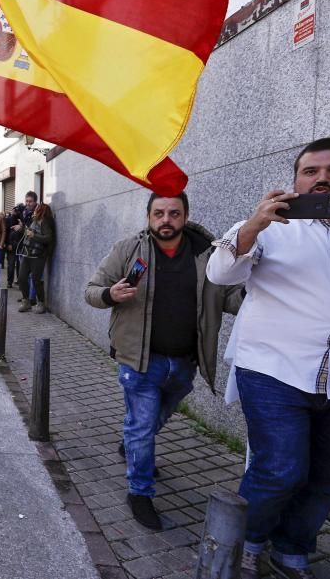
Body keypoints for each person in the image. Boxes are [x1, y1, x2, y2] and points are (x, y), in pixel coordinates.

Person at [205, 138, 330, 579]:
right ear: (296, 180)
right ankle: (246, 543)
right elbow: (220, 272)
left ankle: (292, 551)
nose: (322, 178)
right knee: (280, 469)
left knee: (327, 475)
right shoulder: (269, 227)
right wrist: (254, 225)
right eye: (311, 171)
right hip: (273, 370)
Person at [85, 191, 243, 530]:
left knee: (151, 421)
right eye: (159, 213)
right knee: (142, 427)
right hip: (139, 360)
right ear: (148, 217)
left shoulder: (207, 252)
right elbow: (92, 289)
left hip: (185, 362)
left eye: (173, 213)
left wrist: (261, 292)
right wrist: (109, 294)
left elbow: (229, 297)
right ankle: (139, 492)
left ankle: (131, 444)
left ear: (185, 216)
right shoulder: (128, 250)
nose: (165, 219)